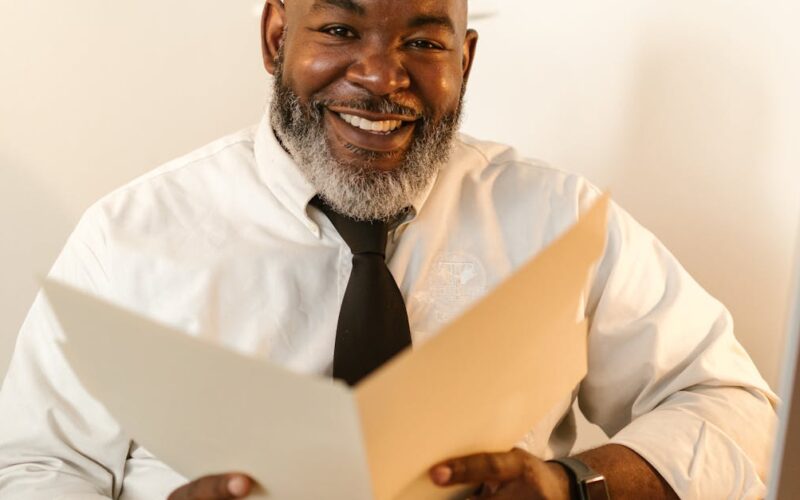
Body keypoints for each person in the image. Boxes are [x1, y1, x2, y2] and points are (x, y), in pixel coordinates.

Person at [0, 0, 776, 498]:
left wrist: (573, 484)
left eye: (423, 40)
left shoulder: (561, 221)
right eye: (340, 29)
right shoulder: (128, 234)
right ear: (276, 37)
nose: (380, 75)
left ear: (464, 60)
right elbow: (34, 466)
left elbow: (733, 405)